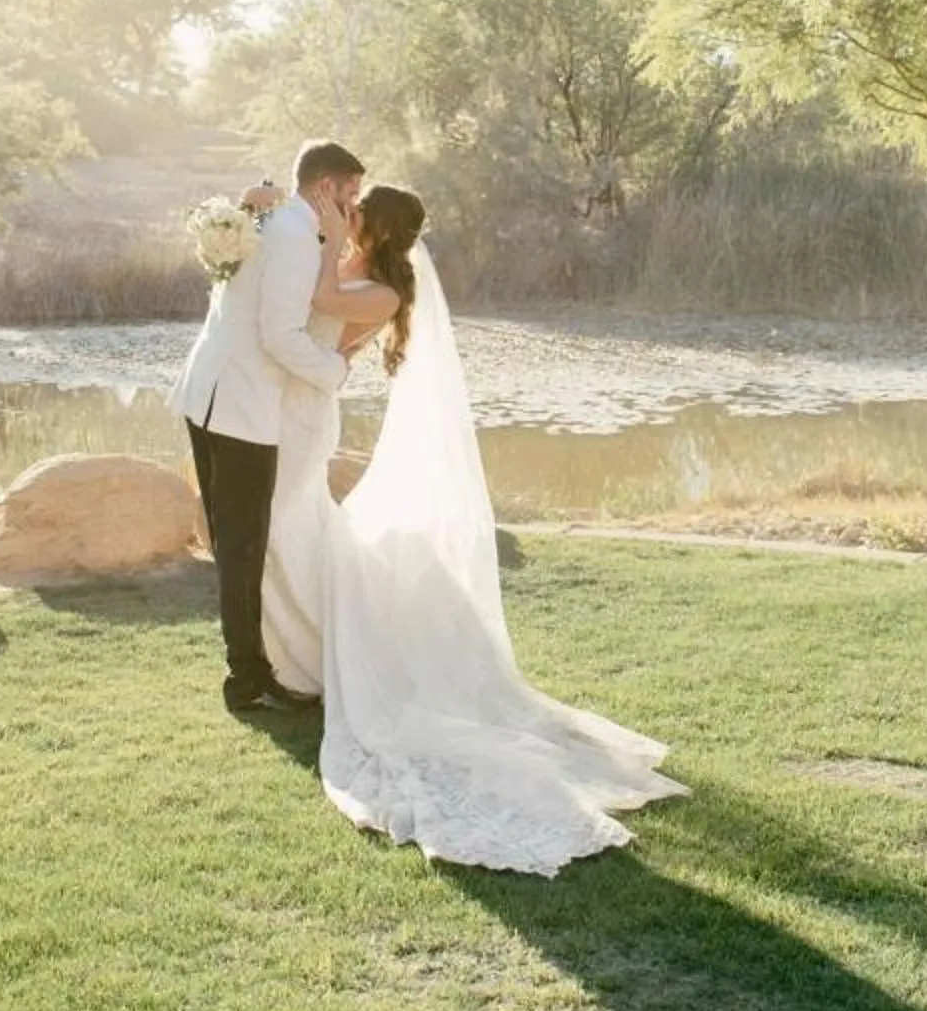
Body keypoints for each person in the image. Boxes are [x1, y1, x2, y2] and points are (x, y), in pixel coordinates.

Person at [278, 182, 687, 875]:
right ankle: (308, 655)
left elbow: (319, 301)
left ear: (374, 228)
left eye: (357, 214)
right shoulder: (365, 267)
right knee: (340, 539)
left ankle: (338, 664)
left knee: (344, 542)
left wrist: (322, 234)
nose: (347, 219)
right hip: (298, 398)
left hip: (312, 404)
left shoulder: (380, 289)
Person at [168, 140, 365, 714]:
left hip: (207, 393)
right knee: (243, 547)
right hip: (241, 407)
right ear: (325, 188)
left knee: (236, 543)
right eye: (350, 193)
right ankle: (248, 679)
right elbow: (280, 335)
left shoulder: (268, 219)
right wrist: (334, 370)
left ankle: (250, 671)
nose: (354, 206)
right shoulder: (296, 237)